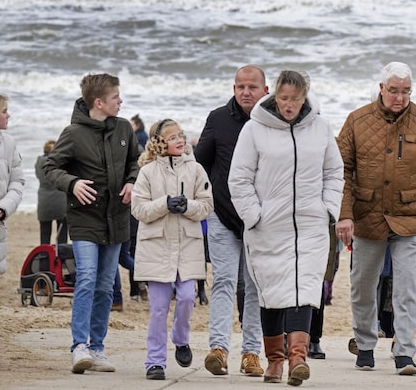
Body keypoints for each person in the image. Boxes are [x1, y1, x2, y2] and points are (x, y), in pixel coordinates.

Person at [336, 62, 416, 375]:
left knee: (406, 288)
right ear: (381, 89)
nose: (399, 97)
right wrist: (344, 215)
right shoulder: (356, 120)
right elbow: (340, 171)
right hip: (366, 217)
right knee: (362, 286)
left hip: (410, 218)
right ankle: (364, 344)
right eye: (394, 91)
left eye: (405, 91)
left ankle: (404, 352)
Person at [229, 70, 343, 386]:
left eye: (295, 99)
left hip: (311, 225)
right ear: (274, 96)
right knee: (272, 293)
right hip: (268, 226)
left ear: (304, 97)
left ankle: (297, 360)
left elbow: (334, 171)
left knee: (305, 290)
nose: (289, 105)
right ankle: (274, 362)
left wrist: (328, 209)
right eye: (283, 98)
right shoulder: (255, 129)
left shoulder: (320, 127)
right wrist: (254, 215)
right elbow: (238, 178)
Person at [42, 73, 140, 374]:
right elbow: (50, 167)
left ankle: (97, 348)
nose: (120, 101)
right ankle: (79, 347)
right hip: (84, 219)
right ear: (99, 102)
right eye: (115, 97)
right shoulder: (73, 133)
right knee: (86, 279)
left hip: (117, 220)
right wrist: (71, 183)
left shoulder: (124, 128)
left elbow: (134, 162)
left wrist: (132, 182)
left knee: (105, 288)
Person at [195, 65, 268, 377]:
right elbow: (201, 164)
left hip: (260, 221)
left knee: (254, 288)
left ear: (266, 90)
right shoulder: (218, 118)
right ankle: (219, 349)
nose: (245, 92)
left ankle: (251, 353)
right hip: (223, 216)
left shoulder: (273, 122)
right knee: (224, 281)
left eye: (252, 87)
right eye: (240, 87)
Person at [131, 119, 214, 380]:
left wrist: (187, 206)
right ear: (159, 143)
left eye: (180, 135)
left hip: (187, 246)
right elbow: (139, 210)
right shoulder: (147, 172)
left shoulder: (196, 169)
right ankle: (155, 362)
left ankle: (180, 337)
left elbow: (206, 205)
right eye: (171, 137)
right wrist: (164, 204)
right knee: (158, 307)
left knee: (188, 297)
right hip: (156, 246)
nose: (179, 140)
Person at [0, 92, 25, 368]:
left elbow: (18, 182)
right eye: (4, 111)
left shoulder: (9, 143)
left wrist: (3, 208)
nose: (8, 115)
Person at [36, 140, 68, 244]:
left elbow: (38, 175)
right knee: (62, 236)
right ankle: (61, 258)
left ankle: (44, 257)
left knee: (44, 234)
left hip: (44, 201)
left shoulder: (39, 163)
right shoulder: (61, 162)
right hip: (61, 200)